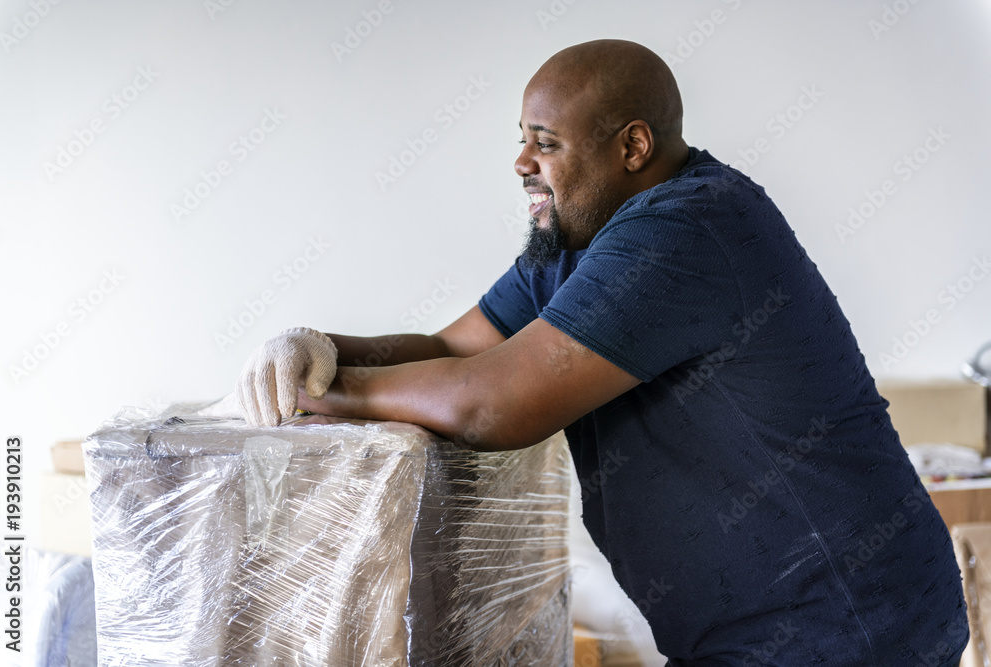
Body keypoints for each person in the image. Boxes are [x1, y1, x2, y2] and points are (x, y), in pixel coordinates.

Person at [234, 39, 968, 665]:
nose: (522, 159)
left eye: (546, 142)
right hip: (757, 629)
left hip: (846, 625)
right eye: (521, 137)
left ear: (633, 147)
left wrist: (324, 392)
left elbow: (490, 402)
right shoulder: (576, 244)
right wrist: (320, 346)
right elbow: (452, 347)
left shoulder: (687, 227)